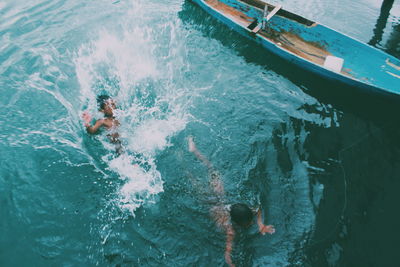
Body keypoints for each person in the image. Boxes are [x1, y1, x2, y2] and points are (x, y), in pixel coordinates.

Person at [188, 136, 275, 267]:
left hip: (220, 198)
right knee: (194, 181)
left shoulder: (243, 211)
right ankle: (188, 158)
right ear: (238, 222)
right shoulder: (230, 229)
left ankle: (194, 150)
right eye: (249, 222)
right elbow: (227, 252)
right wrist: (231, 263)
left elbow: (257, 210)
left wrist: (261, 225)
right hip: (208, 202)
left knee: (212, 170)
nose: (251, 222)